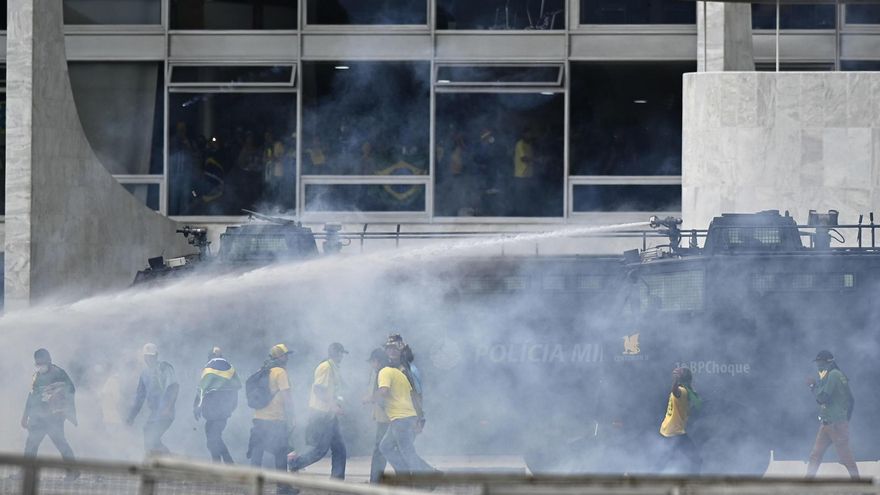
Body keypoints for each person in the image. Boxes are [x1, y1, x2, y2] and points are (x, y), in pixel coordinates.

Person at [290, 343, 348, 479]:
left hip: (329, 415)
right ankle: (294, 464)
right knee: (320, 450)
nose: (342, 356)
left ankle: (337, 479)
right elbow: (318, 389)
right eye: (341, 353)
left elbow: (332, 390)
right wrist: (333, 406)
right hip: (322, 414)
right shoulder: (325, 367)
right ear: (336, 353)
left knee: (339, 448)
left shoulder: (333, 368)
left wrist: (337, 405)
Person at [376, 341, 434, 475]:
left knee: (406, 451)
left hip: (403, 417)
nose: (392, 351)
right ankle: (411, 475)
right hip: (400, 417)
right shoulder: (397, 371)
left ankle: (425, 477)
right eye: (389, 348)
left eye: (395, 349)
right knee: (387, 447)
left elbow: (417, 395)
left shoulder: (408, 371)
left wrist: (420, 418)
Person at [22, 349, 78, 476]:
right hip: (37, 418)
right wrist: (25, 416)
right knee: (30, 446)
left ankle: (73, 472)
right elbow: (31, 396)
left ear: (49, 360)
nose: (40, 366)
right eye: (37, 364)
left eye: (42, 363)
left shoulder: (59, 373)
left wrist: (56, 391)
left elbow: (71, 389)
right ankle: (25, 473)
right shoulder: (36, 376)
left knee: (61, 444)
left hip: (54, 418)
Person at [806, 350, 859, 479]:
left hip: (835, 424)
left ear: (827, 362)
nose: (818, 365)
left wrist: (813, 386)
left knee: (845, 457)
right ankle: (807, 483)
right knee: (815, 456)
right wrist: (845, 419)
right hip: (828, 423)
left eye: (820, 362)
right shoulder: (835, 375)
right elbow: (851, 400)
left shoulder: (834, 375)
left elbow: (823, 398)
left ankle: (859, 485)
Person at [247, 344, 296, 475]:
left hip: (258, 418)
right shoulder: (280, 372)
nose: (287, 358)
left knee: (257, 451)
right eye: (285, 355)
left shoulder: (261, 370)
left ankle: (252, 485)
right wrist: (292, 415)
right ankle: (283, 487)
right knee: (280, 453)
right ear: (280, 356)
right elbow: (287, 397)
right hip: (276, 419)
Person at [127, 343, 179, 456]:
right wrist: (131, 417)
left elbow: (174, 387)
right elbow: (139, 397)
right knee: (147, 435)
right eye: (147, 356)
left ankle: (169, 460)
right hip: (155, 413)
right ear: (144, 357)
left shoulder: (165, 368)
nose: (149, 359)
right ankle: (155, 463)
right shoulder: (144, 373)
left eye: (152, 356)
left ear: (156, 356)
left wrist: (168, 408)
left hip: (165, 412)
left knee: (152, 438)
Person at [194, 347, 241, 464]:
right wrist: (231, 407)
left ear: (210, 357)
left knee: (213, 438)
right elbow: (235, 389)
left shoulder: (208, 368)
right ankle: (221, 464)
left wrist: (196, 406)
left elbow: (201, 389)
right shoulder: (230, 368)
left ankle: (225, 464)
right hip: (223, 411)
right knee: (213, 438)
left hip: (213, 410)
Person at [658, 367, 702, 474]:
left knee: (668, 460)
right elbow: (675, 391)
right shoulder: (682, 392)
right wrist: (676, 380)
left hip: (666, 430)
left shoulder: (687, 392)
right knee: (696, 460)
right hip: (675, 432)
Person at [364, 348, 391, 483]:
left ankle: (375, 481)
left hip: (387, 418)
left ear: (377, 361)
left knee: (381, 449)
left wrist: (369, 399)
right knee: (388, 449)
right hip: (384, 417)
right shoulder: (378, 372)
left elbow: (383, 393)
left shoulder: (383, 372)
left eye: (372, 362)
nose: (371, 364)